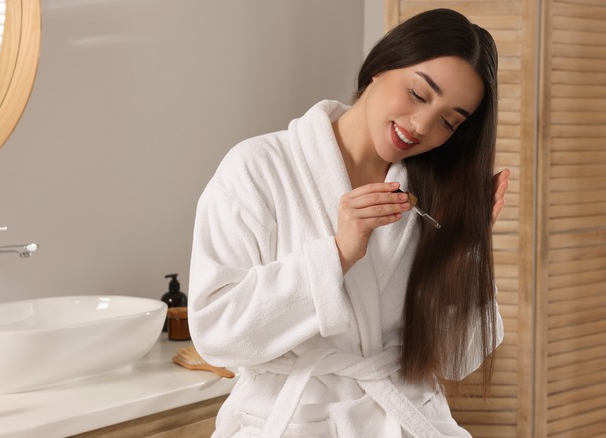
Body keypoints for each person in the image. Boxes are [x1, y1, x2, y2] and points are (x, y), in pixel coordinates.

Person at [188, 8, 510, 438]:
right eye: (417, 93)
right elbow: (217, 334)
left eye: (448, 122)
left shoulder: (430, 199)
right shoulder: (258, 168)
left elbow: (458, 360)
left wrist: (463, 250)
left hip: (405, 419)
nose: (421, 126)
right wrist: (336, 256)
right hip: (294, 421)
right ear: (380, 66)